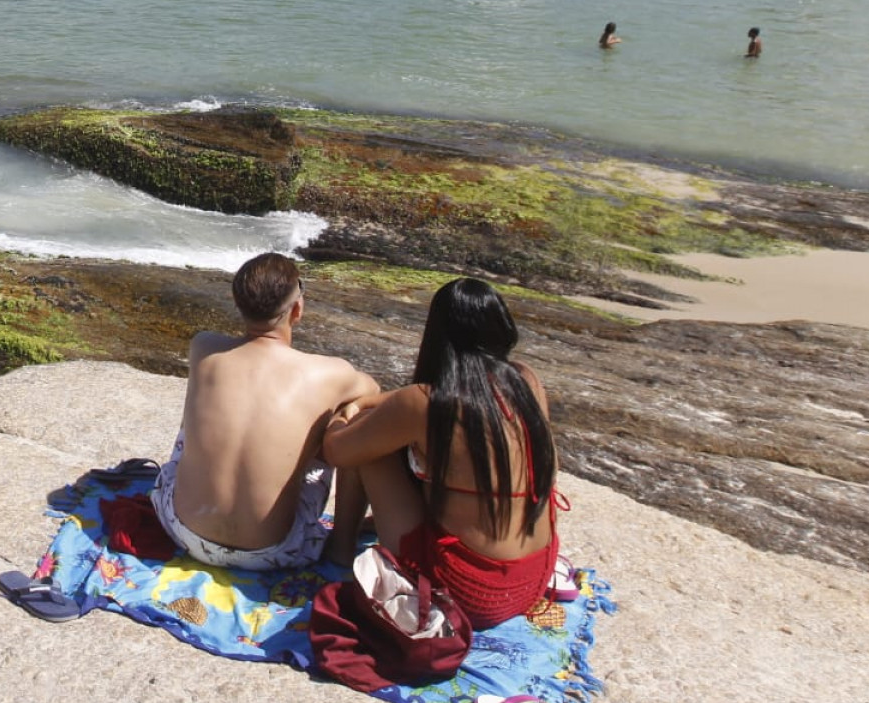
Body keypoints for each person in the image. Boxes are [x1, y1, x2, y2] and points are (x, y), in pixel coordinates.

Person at [322, 278, 563, 629]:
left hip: (464, 592)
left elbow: (337, 452)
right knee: (398, 436)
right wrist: (369, 400)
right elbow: (444, 396)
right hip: (529, 581)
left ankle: (340, 549)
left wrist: (343, 415)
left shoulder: (425, 404)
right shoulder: (526, 381)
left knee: (368, 446)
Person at [152, 253, 377, 571]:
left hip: (182, 531)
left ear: (237, 303)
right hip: (276, 551)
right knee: (354, 420)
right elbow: (374, 394)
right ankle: (342, 546)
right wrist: (339, 415)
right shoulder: (331, 375)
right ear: (297, 309)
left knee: (196, 424)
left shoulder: (204, 348)